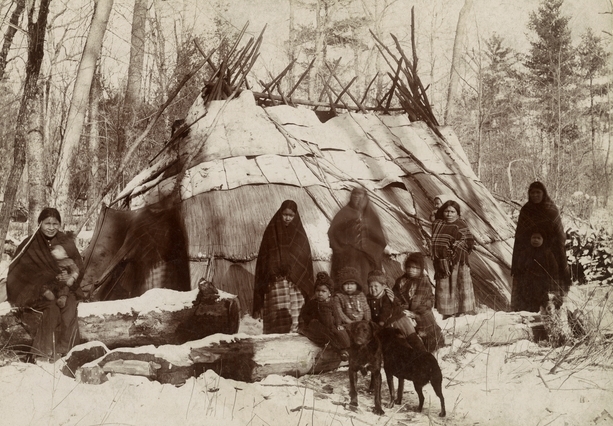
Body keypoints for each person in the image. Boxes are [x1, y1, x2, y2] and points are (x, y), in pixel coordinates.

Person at [7, 207, 83, 360]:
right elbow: (19, 273)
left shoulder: (65, 242)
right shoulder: (30, 243)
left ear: (60, 225)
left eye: (55, 224)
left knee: (69, 307)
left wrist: (69, 282)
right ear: (40, 223)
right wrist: (41, 289)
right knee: (52, 308)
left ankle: (67, 352)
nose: (51, 227)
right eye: (47, 223)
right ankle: (42, 354)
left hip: (63, 288)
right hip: (36, 292)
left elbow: (78, 265)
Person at [253, 200, 314, 334]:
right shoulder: (271, 231)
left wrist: (293, 271)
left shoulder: (299, 234)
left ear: (295, 216)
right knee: (278, 314)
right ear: (280, 213)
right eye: (285, 214)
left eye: (291, 215)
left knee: (297, 314)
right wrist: (275, 271)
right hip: (276, 282)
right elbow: (265, 257)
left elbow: (303, 259)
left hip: (295, 283)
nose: (287, 218)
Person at [512, 182, 570, 305]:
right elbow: (520, 236)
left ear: (543, 193)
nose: (535, 195)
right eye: (532, 192)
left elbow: (559, 235)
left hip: (549, 254)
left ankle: (552, 311)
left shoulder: (551, 210)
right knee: (529, 288)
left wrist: (550, 247)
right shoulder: (526, 210)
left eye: (538, 192)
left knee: (549, 290)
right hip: (529, 254)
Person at [328, 187, 387, 293]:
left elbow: (379, 239)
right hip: (347, 258)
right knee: (348, 283)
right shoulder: (344, 213)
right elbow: (333, 232)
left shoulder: (371, 215)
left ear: (365, 197)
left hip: (366, 259)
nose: (357, 197)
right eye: (354, 194)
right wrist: (342, 248)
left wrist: (368, 248)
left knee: (365, 283)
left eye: (360, 195)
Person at [431, 200, 476, 319]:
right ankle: (447, 312)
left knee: (459, 285)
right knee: (445, 286)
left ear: (457, 213)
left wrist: (454, 249)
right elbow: (435, 241)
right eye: (446, 211)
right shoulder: (437, 224)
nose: (449, 214)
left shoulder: (461, 225)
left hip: (458, 262)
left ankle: (462, 311)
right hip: (442, 262)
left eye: (452, 211)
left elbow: (469, 242)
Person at [393, 253, 445, 352]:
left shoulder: (423, 281)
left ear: (420, 269)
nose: (411, 270)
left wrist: (415, 314)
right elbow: (395, 297)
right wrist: (402, 308)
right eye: (409, 267)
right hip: (405, 311)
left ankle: (433, 345)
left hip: (421, 312)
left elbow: (426, 301)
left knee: (427, 329)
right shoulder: (401, 281)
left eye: (415, 268)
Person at [366, 269, 427, 352]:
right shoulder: (368, 298)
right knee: (398, 344)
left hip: (399, 320)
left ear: (383, 286)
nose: (373, 289)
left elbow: (386, 309)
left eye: (376, 286)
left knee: (411, 338)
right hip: (386, 324)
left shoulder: (387, 296)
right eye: (370, 286)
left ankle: (423, 353)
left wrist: (381, 321)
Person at [298, 271, 350, 361]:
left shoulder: (331, 303)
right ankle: (339, 351)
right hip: (319, 326)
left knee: (340, 335)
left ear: (329, 293)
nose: (320, 293)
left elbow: (336, 315)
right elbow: (304, 313)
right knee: (327, 336)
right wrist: (309, 321)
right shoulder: (313, 303)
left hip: (331, 325)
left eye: (323, 291)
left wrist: (338, 324)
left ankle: (345, 350)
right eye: (318, 291)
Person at [511, 229, 559, 312]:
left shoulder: (547, 253)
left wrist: (547, 277)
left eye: (538, 238)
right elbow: (519, 266)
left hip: (542, 282)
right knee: (526, 301)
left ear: (543, 240)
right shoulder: (525, 253)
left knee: (540, 301)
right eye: (533, 238)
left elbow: (554, 268)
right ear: (530, 239)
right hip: (527, 283)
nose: (535, 240)